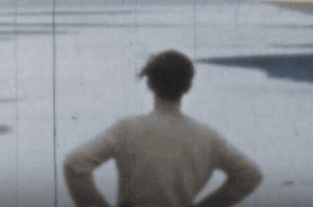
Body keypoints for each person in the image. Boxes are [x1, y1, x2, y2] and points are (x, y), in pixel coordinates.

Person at [64, 50, 263, 207]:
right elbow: (250, 175)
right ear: (188, 87)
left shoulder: (127, 129)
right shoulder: (207, 136)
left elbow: (74, 164)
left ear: (150, 84)